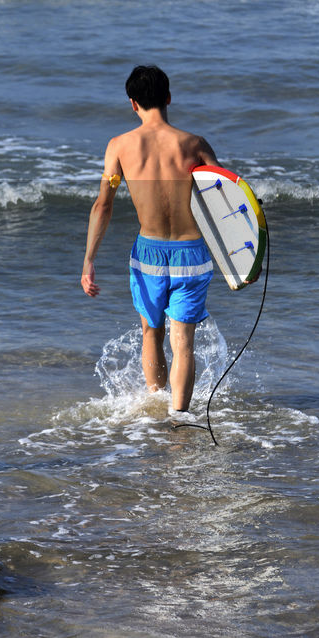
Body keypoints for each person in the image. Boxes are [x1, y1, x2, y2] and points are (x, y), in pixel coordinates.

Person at [81, 65, 219, 419]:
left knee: (151, 332)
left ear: (132, 104)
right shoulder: (195, 144)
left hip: (149, 254)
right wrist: (243, 261)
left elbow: (103, 204)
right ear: (169, 98)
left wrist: (89, 261)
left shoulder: (120, 146)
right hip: (192, 252)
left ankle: (155, 407)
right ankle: (179, 420)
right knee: (183, 342)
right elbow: (226, 203)